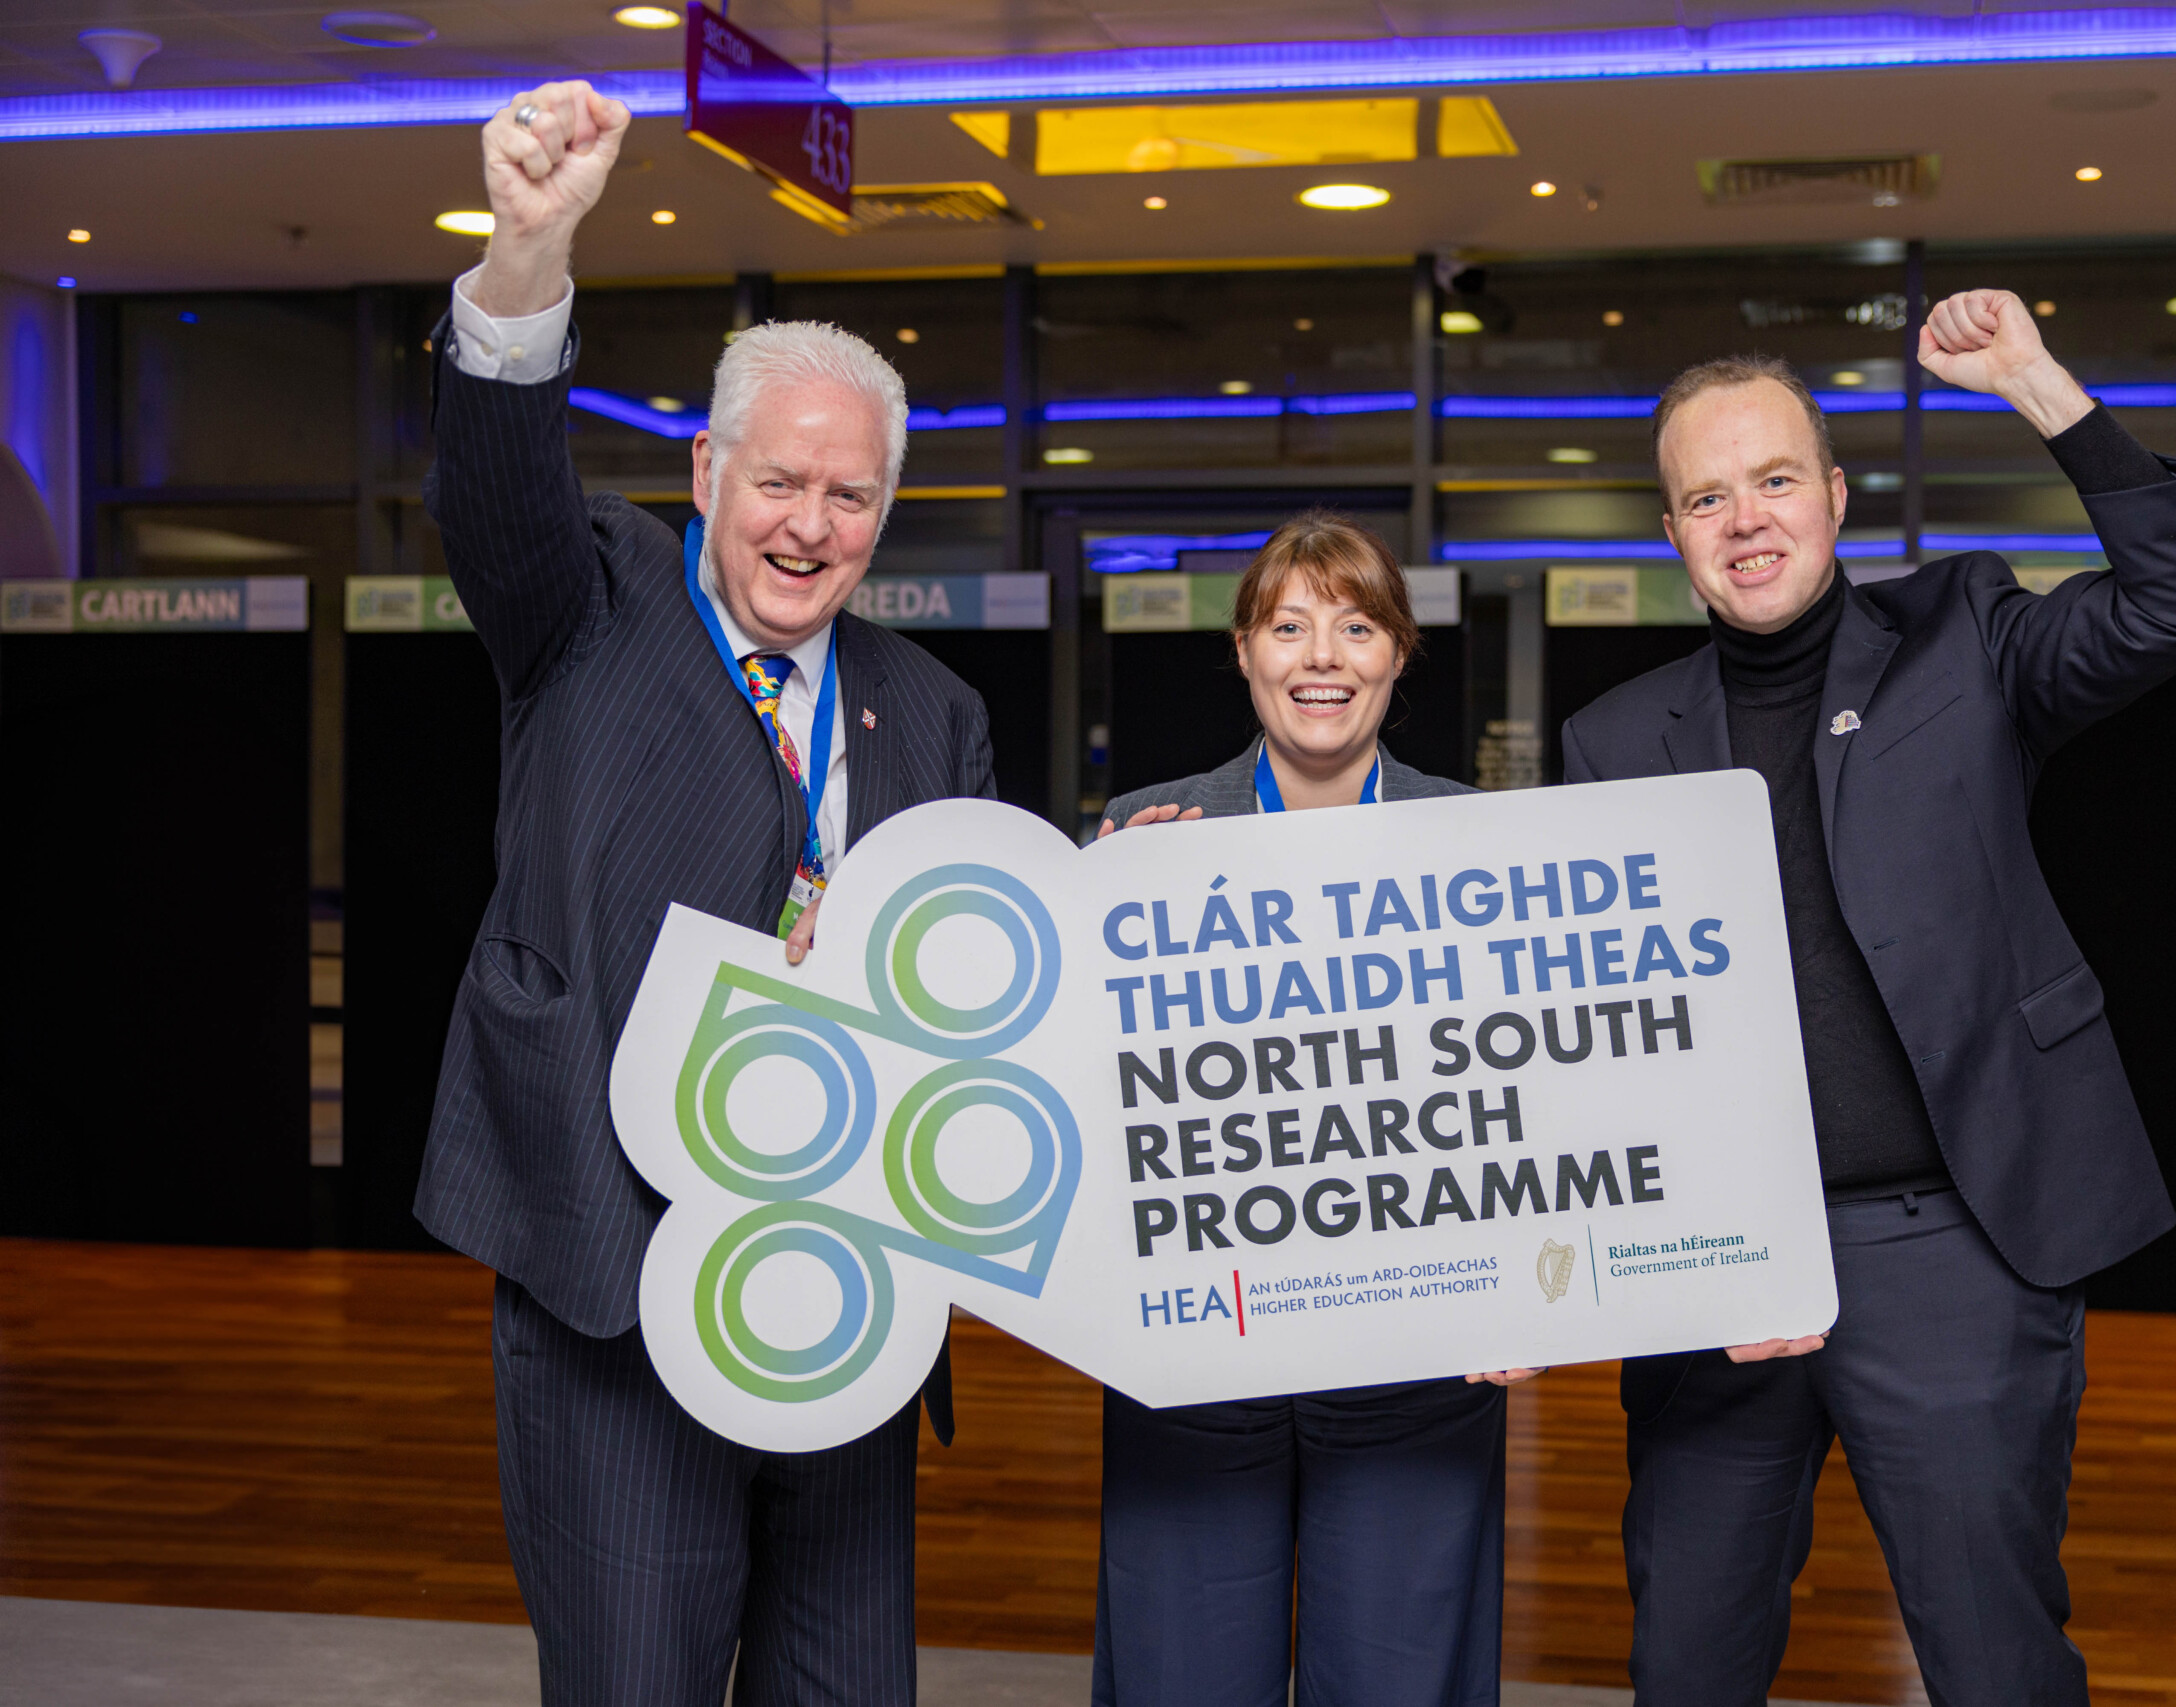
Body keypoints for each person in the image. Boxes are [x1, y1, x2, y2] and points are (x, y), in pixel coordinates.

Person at [1561, 291, 2176, 1706]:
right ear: (1673, 532)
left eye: (1771, 480)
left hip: (1953, 1244)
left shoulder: (1967, 640)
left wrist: (2037, 383)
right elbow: (1585, 1020)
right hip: (1718, 1266)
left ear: (1834, 496)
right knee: (1686, 1654)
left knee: (1993, 1656)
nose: (1744, 519)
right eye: (1705, 495)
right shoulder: (1614, 736)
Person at [413, 81, 992, 1707]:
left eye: (853, 496)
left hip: (852, 1298)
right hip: (616, 1275)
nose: (812, 527)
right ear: (707, 466)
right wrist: (533, 241)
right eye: (782, 482)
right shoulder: (582, 602)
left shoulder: (930, 706)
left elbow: (986, 979)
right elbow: (495, 475)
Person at [1090, 512, 1533, 1707]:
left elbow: (1533, 1099)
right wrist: (1095, 914)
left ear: (1398, 652)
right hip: (1194, 1358)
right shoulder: (1144, 837)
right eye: (1288, 626)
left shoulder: (1485, 847)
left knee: (1401, 1676)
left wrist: (1539, 1284)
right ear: (1242, 651)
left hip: (1416, 1362)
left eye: (1354, 624)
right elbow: (1086, 1102)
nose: (1320, 656)